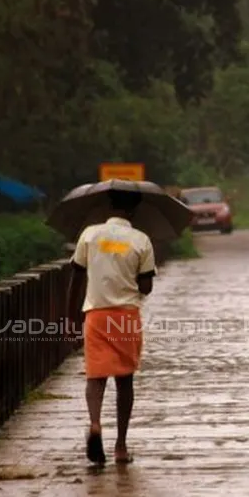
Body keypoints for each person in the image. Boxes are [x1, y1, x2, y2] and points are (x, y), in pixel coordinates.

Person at [66, 189, 156, 465]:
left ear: (109, 207)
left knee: (96, 376)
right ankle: (120, 446)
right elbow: (146, 287)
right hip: (126, 317)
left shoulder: (90, 235)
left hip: (96, 314)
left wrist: (71, 314)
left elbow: (77, 275)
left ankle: (95, 423)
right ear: (133, 211)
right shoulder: (141, 239)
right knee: (124, 379)